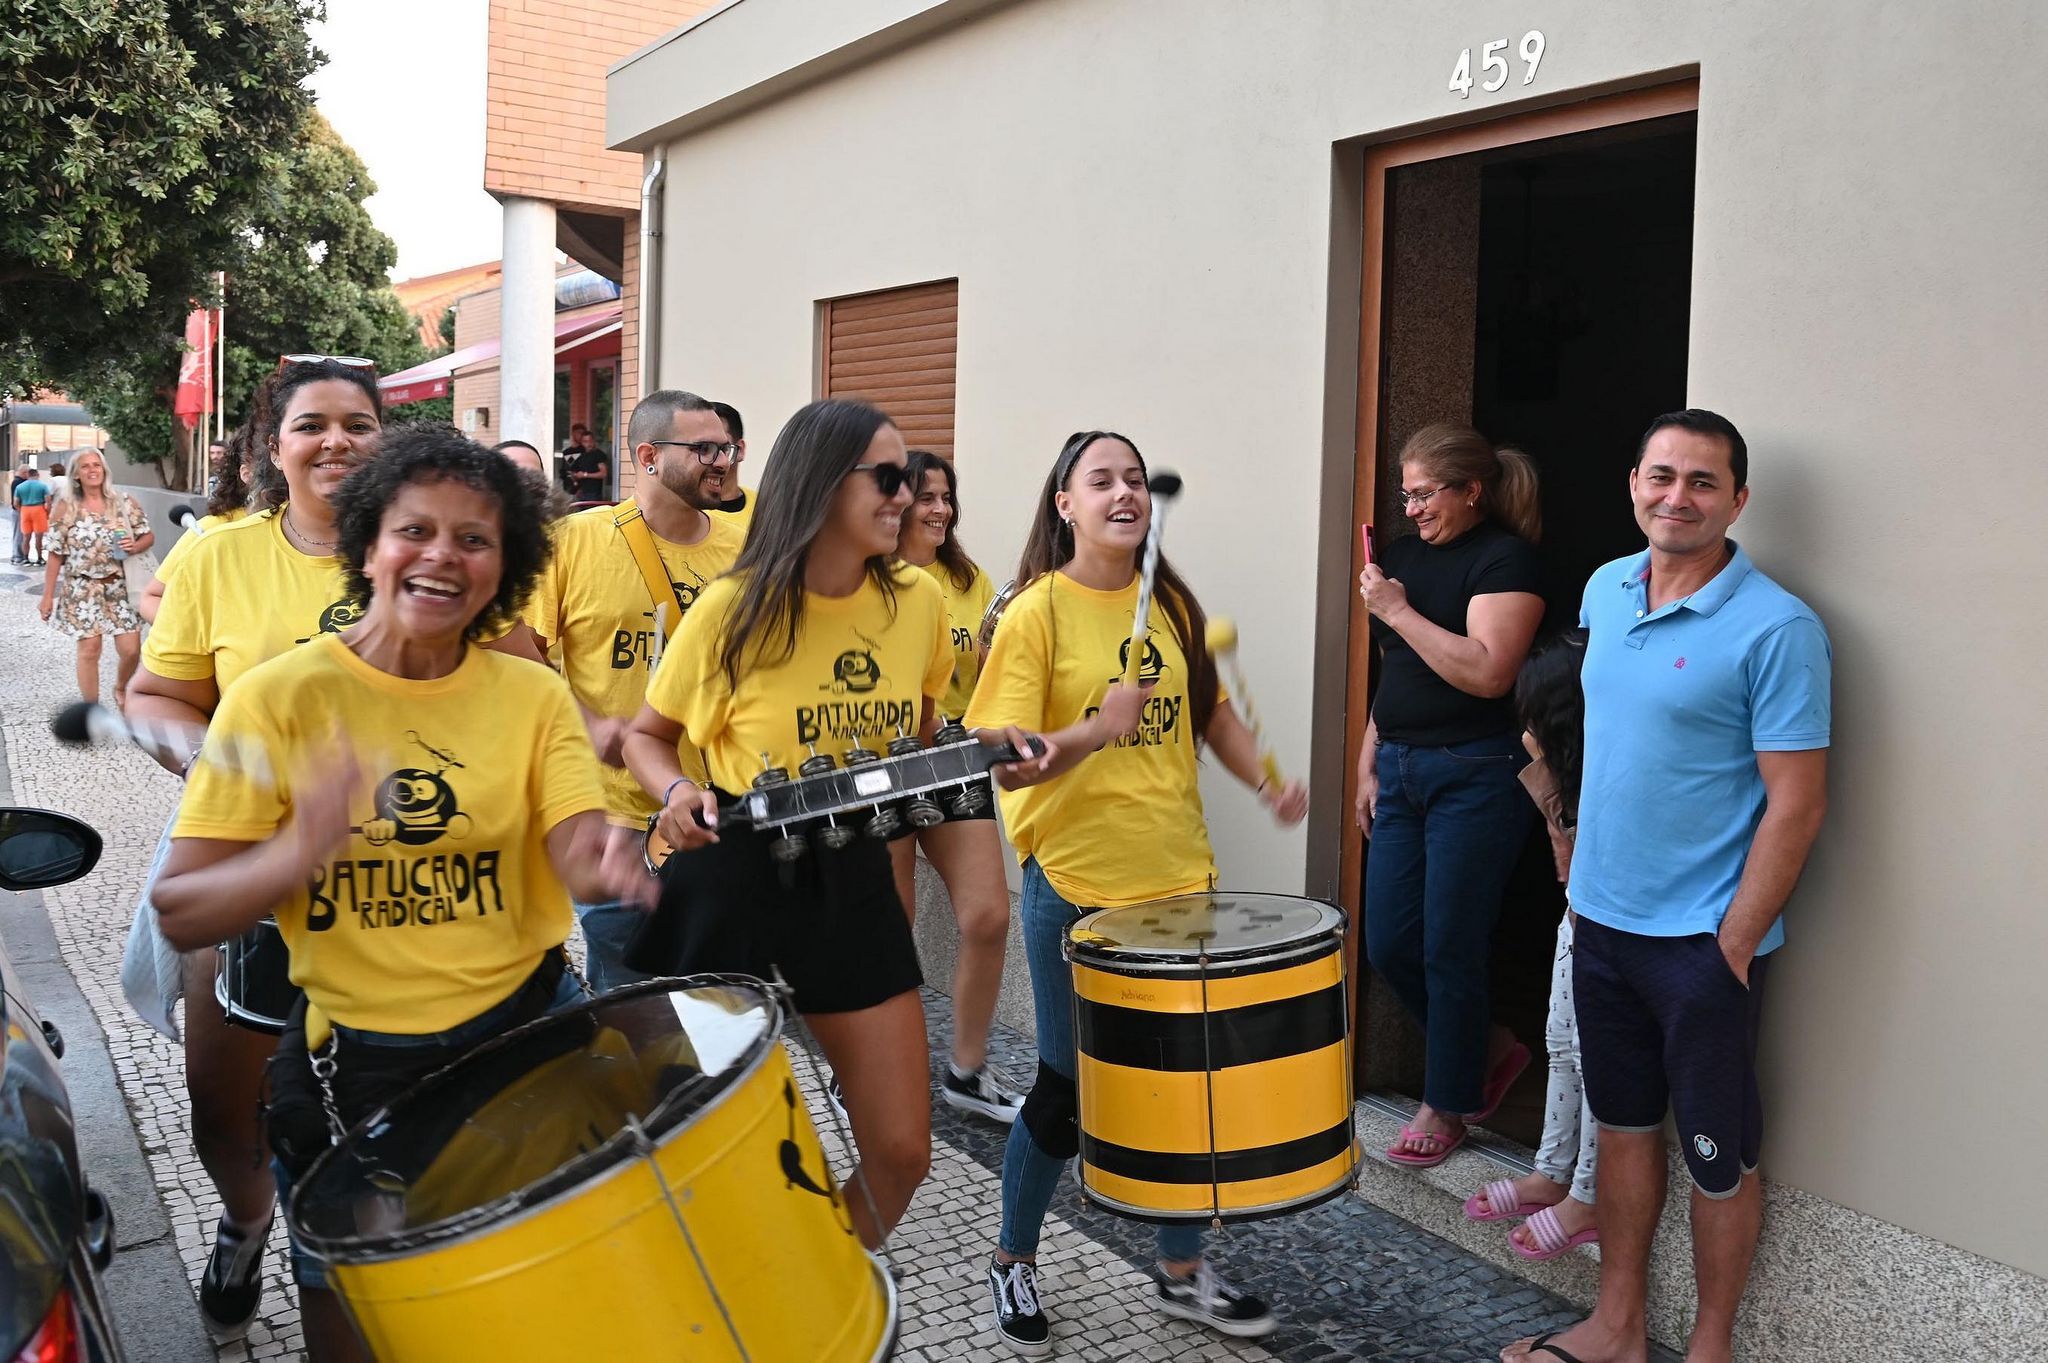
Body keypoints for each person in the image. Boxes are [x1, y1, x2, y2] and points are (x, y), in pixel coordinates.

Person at [151, 425, 640, 1363]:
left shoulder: (533, 695)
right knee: (357, 1323)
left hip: (528, 1036)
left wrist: (608, 862)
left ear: (506, 566)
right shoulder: (279, 698)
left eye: (475, 538)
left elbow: (577, 849)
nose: (443, 555)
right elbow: (182, 908)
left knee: (542, 1303)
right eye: (416, 530)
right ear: (368, 544)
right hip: (356, 1068)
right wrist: (300, 848)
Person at [622, 398, 1049, 1249]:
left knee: (902, 1151)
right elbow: (646, 735)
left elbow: (917, 736)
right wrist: (674, 792)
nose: (907, 495)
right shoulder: (732, 608)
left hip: (854, 879)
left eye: (910, 478)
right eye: (887, 477)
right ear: (820, 482)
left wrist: (984, 750)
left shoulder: (918, 601)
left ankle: (824, 1279)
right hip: (734, 880)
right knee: (719, 1151)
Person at [966, 430, 1309, 1356]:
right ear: (1065, 504)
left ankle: (1181, 1270)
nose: (1124, 492)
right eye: (1101, 480)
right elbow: (1004, 760)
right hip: (1079, 887)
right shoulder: (1035, 613)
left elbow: (1213, 713)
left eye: (1134, 479)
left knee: (1185, 1087)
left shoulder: (1173, 605)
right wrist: (1094, 726)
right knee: (1065, 1090)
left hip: (1179, 883)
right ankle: (1011, 1257)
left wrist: (1266, 783)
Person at [1501, 411, 1830, 1363]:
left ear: (1737, 499)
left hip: (1700, 946)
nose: (1676, 496)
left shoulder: (1778, 628)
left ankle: (1710, 1346)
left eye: (1701, 481)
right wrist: (1571, 852)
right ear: (1635, 483)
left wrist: (1733, 943)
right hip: (1602, 927)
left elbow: (1798, 804)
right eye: (1661, 475)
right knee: (1623, 1130)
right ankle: (1618, 1329)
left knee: (1718, 1156)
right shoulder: (1606, 588)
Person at [126, 357, 386, 1342]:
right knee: (225, 1110)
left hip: (409, 882)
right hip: (249, 869)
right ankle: (245, 1218)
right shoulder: (220, 555)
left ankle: (378, 1272)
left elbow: (521, 688)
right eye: (310, 424)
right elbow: (158, 696)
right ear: (271, 446)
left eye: (357, 422)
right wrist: (216, 764)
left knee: (386, 1110)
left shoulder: (431, 542)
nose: (336, 441)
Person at [1354, 422, 1546, 1168]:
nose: (1412, 510)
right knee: (1390, 940)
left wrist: (1397, 610)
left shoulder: (1506, 559)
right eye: (1405, 496)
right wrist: (1369, 759)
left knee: (1450, 944)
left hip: (1477, 772)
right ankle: (1486, 1047)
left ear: (1472, 490)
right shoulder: (1403, 558)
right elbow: (1397, 671)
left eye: (1426, 494)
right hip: (1402, 766)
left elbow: (1489, 671)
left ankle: (1448, 1103)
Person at [512, 390, 744, 993]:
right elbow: (518, 657)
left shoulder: (746, 549)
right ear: (648, 456)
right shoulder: (574, 541)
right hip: (616, 820)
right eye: (704, 449)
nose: (722, 461)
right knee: (631, 1002)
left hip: (721, 813)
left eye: (728, 448)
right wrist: (587, 726)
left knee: (720, 1001)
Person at [889, 448, 1024, 1123]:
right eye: (926, 497)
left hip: (955, 763)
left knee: (988, 915)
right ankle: (874, 1073)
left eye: (947, 497)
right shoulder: (871, 580)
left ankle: (967, 1072)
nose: (940, 509)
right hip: (885, 772)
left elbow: (992, 674)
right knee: (890, 931)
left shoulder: (971, 581)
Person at [1464, 630, 1600, 1261]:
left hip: (1614, 926)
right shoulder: (1560, 766)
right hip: (1579, 916)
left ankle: (1589, 1194)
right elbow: (1565, 858)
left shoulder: (1613, 767)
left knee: (1597, 1059)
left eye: (1532, 714)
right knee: (1559, 1041)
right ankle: (1550, 1171)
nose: (1524, 728)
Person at [37, 449, 153, 705]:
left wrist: (134, 546)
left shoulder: (123, 502)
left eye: (96, 465)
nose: (92, 470)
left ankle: (121, 687)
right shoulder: (65, 507)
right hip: (81, 588)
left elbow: (147, 535)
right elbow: (55, 553)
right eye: (86, 466)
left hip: (119, 587)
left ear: (104, 470)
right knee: (89, 650)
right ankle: (91, 709)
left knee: (131, 649)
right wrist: (47, 596)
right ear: (76, 474)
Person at [140, 427, 257, 624]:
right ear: (247, 473)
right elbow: (152, 598)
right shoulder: (211, 529)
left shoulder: (312, 532)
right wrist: (197, 634)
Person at [707, 399, 759, 530]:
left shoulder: (765, 510)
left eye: (722, 448)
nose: (713, 460)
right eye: (702, 448)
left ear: (739, 450)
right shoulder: (680, 513)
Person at [14, 462, 51, 565]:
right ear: (37, 475)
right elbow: (48, 501)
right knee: (39, 537)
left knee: (26, 537)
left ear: (28, 475)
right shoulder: (43, 485)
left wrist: (21, 510)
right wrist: (47, 513)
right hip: (39, 510)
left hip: (25, 510)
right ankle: (39, 558)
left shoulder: (20, 487)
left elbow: (16, 503)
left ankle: (25, 558)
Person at [564, 425, 611, 502]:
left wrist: (585, 475)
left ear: (594, 441)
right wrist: (576, 476)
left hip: (594, 493)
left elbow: (603, 473)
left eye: (590, 441)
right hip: (581, 492)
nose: (588, 444)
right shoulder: (582, 455)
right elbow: (579, 473)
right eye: (585, 441)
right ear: (582, 443)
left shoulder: (598, 454)